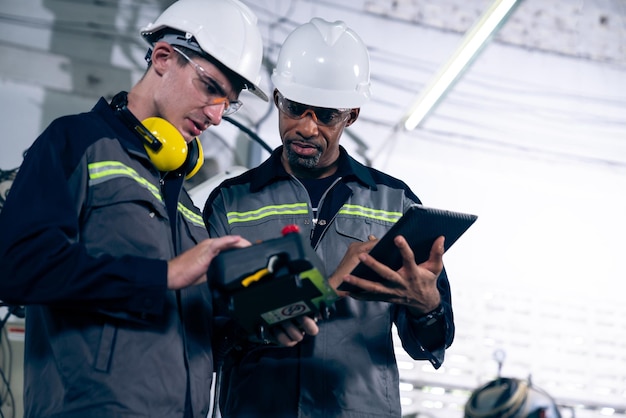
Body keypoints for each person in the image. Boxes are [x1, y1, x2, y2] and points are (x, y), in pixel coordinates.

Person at [0, 0, 268, 417]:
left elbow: (192, 340)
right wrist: (163, 275)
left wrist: (256, 321)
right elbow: (16, 265)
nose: (217, 116)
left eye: (228, 103)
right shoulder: (74, 143)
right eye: (211, 87)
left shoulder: (188, 211)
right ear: (163, 57)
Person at [203, 17, 455, 418]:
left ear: (350, 115)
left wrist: (428, 307)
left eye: (325, 115)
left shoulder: (396, 204)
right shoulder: (230, 203)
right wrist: (326, 287)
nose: (306, 127)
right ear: (277, 97)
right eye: (295, 108)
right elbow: (212, 331)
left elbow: (429, 343)